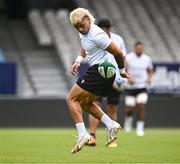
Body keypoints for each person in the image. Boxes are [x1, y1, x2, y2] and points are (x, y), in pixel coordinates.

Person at [67, 8, 129, 154]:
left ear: (88, 19)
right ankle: (111, 125)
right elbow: (85, 46)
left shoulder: (97, 34)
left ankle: (83, 135)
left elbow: (119, 53)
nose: (80, 29)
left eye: (82, 25)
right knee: (85, 103)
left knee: (70, 99)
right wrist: (78, 60)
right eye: (77, 27)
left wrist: (122, 71)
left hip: (102, 70)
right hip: (101, 72)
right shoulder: (83, 31)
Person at [86, 18, 127, 148]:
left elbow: (122, 57)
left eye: (105, 29)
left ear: (109, 29)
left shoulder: (118, 40)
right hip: (98, 77)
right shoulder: (95, 38)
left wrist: (122, 74)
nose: (103, 31)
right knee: (94, 105)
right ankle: (92, 135)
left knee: (112, 108)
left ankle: (111, 138)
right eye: (101, 29)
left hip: (115, 79)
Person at [124, 41, 153, 136]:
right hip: (130, 88)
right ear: (134, 48)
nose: (139, 50)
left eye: (141, 48)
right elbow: (123, 69)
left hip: (142, 87)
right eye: (138, 48)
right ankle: (128, 122)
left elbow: (150, 70)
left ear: (142, 49)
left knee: (141, 106)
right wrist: (128, 78)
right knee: (130, 108)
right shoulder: (128, 57)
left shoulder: (147, 59)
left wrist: (149, 78)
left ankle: (140, 128)